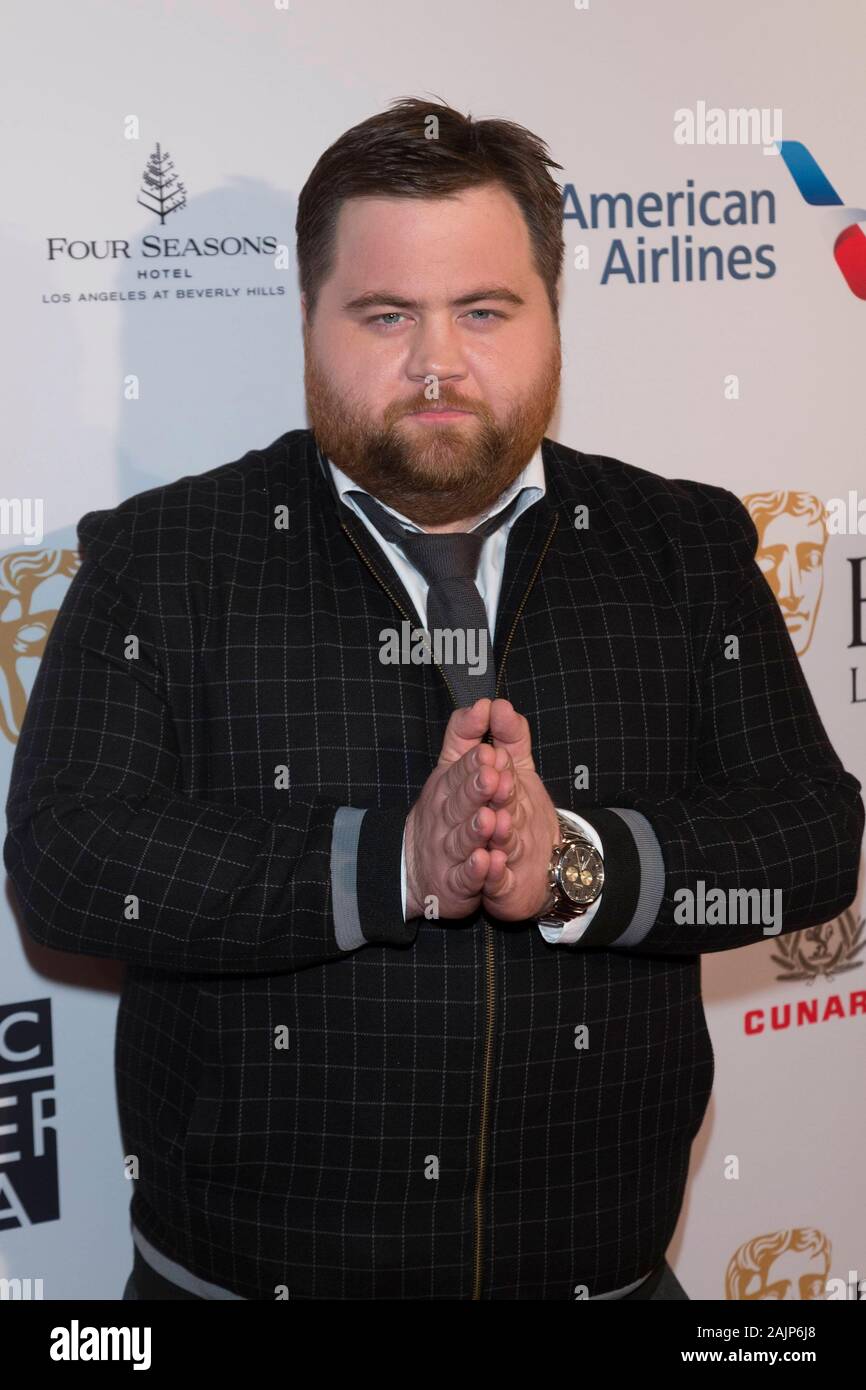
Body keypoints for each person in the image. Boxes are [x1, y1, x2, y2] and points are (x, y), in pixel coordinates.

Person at [4, 97, 862, 1302]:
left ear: (551, 318)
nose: (436, 360)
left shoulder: (680, 544)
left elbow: (811, 834)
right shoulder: (164, 556)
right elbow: (65, 856)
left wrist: (577, 864)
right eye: (385, 313)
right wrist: (390, 866)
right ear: (307, 321)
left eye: (482, 310)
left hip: (603, 1280)